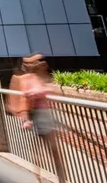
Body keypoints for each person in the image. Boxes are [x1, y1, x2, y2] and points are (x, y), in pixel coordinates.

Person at [11, 54, 67, 182]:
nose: (43, 65)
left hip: (44, 116)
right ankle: (49, 177)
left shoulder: (41, 77)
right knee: (46, 151)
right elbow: (29, 94)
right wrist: (45, 91)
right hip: (38, 117)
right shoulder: (29, 79)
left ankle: (52, 177)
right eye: (39, 62)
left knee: (47, 151)